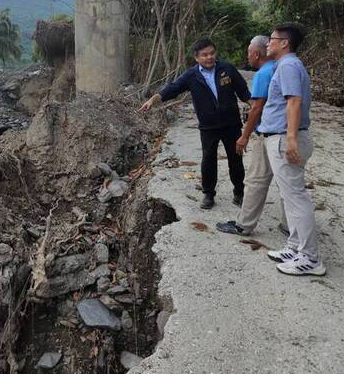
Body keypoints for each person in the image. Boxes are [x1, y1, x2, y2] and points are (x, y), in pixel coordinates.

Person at [139, 37, 250, 209]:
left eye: (212, 53)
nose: (209, 57)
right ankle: (208, 194)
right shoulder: (192, 75)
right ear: (197, 58)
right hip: (208, 126)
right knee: (208, 159)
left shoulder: (226, 69)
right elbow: (173, 88)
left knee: (235, 159)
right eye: (205, 55)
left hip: (231, 124)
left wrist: (255, 106)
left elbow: (243, 90)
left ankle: (239, 191)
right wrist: (154, 100)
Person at [259, 23, 325, 276]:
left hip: (285, 139)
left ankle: (310, 258)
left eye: (272, 39)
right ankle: (295, 246)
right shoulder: (288, 65)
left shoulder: (287, 65)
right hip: (282, 137)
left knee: (296, 197)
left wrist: (290, 139)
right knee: (289, 196)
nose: (268, 42)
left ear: (284, 42)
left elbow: (294, 102)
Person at [216, 35, 288, 235]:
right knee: (286, 183)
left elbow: (256, 108)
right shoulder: (283, 67)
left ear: (256, 54)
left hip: (269, 134)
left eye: (248, 52)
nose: (248, 56)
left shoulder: (264, 73)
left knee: (256, 179)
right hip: (287, 132)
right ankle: (289, 225)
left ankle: (244, 224)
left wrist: (244, 135)